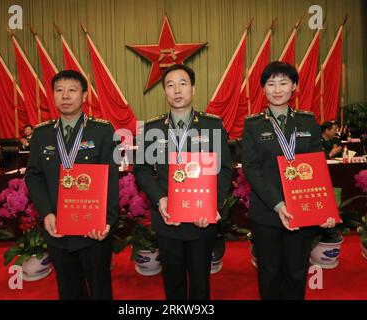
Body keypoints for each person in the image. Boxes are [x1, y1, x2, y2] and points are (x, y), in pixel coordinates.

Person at [133, 64, 233, 300]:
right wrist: (160, 198)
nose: (177, 90)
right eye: (170, 85)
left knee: (200, 281)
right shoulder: (152, 128)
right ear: (164, 92)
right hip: (168, 216)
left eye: (183, 83)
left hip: (201, 218)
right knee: (172, 281)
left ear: (193, 89)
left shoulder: (212, 125)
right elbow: (142, 169)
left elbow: (225, 169)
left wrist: (212, 205)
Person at [241, 61, 336, 300]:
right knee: (269, 271)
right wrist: (278, 203)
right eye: (271, 83)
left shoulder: (307, 121)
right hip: (268, 211)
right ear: (263, 89)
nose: (277, 89)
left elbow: (318, 166)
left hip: (302, 209)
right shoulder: (253, 125)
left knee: (296, 271)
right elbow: (251, 168)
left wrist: (324, 207)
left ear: (294, 86)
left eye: (284, 82)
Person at [25, 70, 119, 300]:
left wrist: (107, 220)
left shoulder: (103, 131)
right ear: (53, 95)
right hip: (57, 226)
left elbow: (112, 178)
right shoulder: (41, 134)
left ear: (85, 95)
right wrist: (47, 212)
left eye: (72, 90)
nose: (65, 96)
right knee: (68, 288)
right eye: (59, 90)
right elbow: (34, 175)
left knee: (99, 286)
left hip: (93, 228)